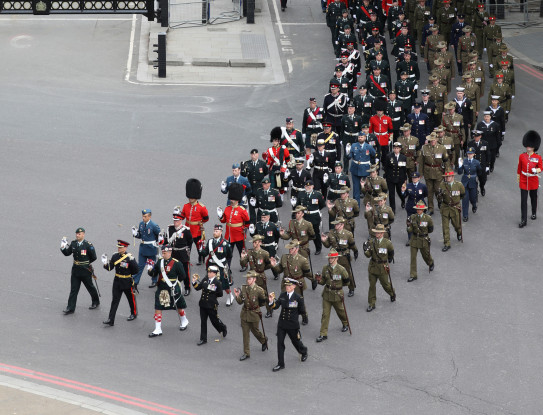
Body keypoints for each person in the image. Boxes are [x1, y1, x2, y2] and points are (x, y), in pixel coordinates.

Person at [147, 244, 189, 337]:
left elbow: (183, 276)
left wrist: (175, 283)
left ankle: (184, 320)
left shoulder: (176, 263)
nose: (163, 254)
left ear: (170, 253)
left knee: (178, 306)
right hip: (162, 288)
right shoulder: (160, 262)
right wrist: (150, 269)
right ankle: (158, 329)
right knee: (158, 307)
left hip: (173, 288)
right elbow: (154, 273)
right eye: (162, 252)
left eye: (164, 252)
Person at [269, 278, 308, 372]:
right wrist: (271, 301)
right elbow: (276, 306)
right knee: (280, 343)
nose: (287, 287)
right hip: (282, 323)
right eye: (286, 285)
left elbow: (302, 311)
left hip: (292, 324)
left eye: (289, 286)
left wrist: (294, 316)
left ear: (294, 286)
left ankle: (303, 351)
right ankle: (280, 364)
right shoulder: (282, 295)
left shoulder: (298, 297)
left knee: (295, 341)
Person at [271, 239, 313, 324]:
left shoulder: (302, 260)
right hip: (286, 283)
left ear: (297, 249)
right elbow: (279, 270)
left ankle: (304, 316)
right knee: (285, 301)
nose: (290, 250)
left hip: (297, 284)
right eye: (289, 249)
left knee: (298, 302)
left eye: (292, 248)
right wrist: (274, 265)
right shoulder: (284, 257)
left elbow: (307, 273)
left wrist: (315, 279)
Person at [60, 227, 100, 314]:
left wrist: (86, 263)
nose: (77, 235)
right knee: (74, 289)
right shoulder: (73, 243)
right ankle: (70, 308)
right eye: (77, 234)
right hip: (75, 270)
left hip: (85, 270)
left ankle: (96, 301)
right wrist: (63, 247)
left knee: (90, 286)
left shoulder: (88, 245)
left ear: (83, 234)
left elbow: (94, 257)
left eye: (79, 234)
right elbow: (67, 253)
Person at [315, 249, 350, 342]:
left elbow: (347, 282)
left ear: (336, 258)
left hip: (337, 294)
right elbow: (323, 282)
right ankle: (323, 334)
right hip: (327, 294)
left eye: (332, 258)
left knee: (340, 311)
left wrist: (338, 287)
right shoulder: (325, 268)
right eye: (329, 258)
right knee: (325, 314)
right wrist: (318, 280)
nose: (330, 259)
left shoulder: (342, 270)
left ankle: (345, 323)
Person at [101, 239, 138, 326]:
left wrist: (129, 274)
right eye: (118, 247)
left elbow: (136, 270)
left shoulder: (130, 258)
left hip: (127, 281)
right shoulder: (115, 256)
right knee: (115, 300)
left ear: (125, 248)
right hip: (117, 281)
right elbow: (110, 268)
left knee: (131, 299)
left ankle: (133, 313)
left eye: (121, 247)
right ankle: (111, 319)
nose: (119, 249)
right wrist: (105, 263)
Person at [234, 271, 268, 361]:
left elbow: (263, 302)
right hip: (245, 314)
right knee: (245, 334)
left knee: (255, 331)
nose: (247, 280)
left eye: (249, 279)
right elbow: (240, 302)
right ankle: (246, 353)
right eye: (247, 279)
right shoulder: (243, 288)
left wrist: (256, 307)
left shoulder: (259, 290)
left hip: (254, 314)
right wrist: (237, 296)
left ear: (254, 279)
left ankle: (264, 340)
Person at [219, 182, 250, 278]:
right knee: (228, 252)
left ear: (237, 200)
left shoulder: (242, 210)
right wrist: (220, 216)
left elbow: (247, 221)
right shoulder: (227, 208)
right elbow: (224, 221)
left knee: (242, 251)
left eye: (233, 199)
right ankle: (227, 267)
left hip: (239, 234)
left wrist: (244, 229)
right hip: (229, 235)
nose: (231, 200)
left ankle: (244, 264)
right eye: (231, 198)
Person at [321, 217, 358, 297]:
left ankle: (351, 288)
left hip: (344, 256)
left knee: (347, 273)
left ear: (342, 225)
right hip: (334, 256)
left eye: (337, 224)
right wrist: (324, 240)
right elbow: (328, 245)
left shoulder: (348, 234)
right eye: (335, 224)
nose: (335, 226)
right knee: (332, 272)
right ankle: (334, 287)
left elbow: (352, 245)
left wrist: (355, 251)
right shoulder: (331, 233)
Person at [362, 224, 395, 312]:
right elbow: (368, 255)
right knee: (372, 286)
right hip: (373, 266)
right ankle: (371, 303)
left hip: (382, 267)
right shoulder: (371, 242)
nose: (377, 234)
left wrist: (389, 260)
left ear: (382, 233)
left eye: (379, 232)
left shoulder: (387, 243)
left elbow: (391, 252)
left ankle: (392, 293)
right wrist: (365, 250)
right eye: (376, 232)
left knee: (385, 284)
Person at [199, 224, 234, 305]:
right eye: (214, 231)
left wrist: (227, 266)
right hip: (211, 265)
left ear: (221, 232)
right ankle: (213, 297)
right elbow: (205, 253)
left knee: (224, 283)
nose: (214, 232)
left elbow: (229, 256)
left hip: (221, 265)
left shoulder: (225, 243)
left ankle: (230, 296)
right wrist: (201, 249)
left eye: (216, 231)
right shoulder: (210, 241)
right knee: (211, 282)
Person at [192, 265, 227, 345]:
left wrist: (210, 290)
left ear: (214, 273)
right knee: (203, 322)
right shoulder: (205, 279)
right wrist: (194, 282)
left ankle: (222, 328)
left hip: (211, 305)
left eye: (210, 272)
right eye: (208, 272)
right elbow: (198, 288)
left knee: (214, 321)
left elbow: (220, 294)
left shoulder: (217, 282)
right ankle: (203, 339)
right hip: (203, 304)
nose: (208, 273)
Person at [240, 235, 273, 318]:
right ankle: (249, 313)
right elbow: (243, 264)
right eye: (253, 242)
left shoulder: (265, 253)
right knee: (248, 295)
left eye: (255, 242)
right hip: (251, 276)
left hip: (260, 277)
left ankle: (269, 309)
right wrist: (242, 258)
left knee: (264, 294)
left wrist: (262, 270)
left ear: (260, 243)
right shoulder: (250, 252)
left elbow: (269, 265)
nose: (254, 244)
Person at [179, 178, 209, 266]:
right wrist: (177, 214)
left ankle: (201, 258)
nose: (190, 198)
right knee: (187, 246)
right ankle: (186, 259)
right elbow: (182, 216)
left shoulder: (201, 207)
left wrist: (200, 223)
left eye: (192, 197)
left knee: (199, 245)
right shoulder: (186, 206)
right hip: (188, 228)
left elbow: (206, 218)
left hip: (197, 230)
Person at [418, 132, 449, 215]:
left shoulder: (442, 148)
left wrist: (447, 173)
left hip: (438, 171)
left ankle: (440, 201)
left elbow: (446, 161)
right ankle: (430, 208)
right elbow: (421, 161)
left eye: (434, 140)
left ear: (437, 139)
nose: (432, 141)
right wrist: (420, 173)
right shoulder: (424, 148)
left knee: (437, 190)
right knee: (429, 191)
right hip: (428, 171)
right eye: (431, 140)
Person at [517, 131, 542, 228]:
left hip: (533, 180)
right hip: (523, 180)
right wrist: (519, 178)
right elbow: (519, 168)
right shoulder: (522, 156)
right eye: (527, 145)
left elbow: (541, 168)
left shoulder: (538, 157)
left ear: (534, 146)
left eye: (530, 146)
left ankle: (534, 212)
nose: (528, 147)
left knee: (533, 197)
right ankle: (523, 220)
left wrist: (535, 170)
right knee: (523, 200)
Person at [165, 212, 193, 296]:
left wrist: (188, 252)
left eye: (177, 221)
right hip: (173, 252)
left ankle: (187, 287)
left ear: (181, 220)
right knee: (173, 270)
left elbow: (190, 242)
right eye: (174, 220)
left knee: (185, 271)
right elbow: (167, 240)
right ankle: (173, 286)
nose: (175, 222)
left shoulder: (186, 230)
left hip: (182, 253)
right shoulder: (170, 228)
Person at [437, 170, 465, 251]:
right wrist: (439, 195)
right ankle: (447, 243)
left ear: (453, 177)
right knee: (445, 227)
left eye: (449, 176)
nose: (447, 178)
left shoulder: (459, 185)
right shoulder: (442, 185)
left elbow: (462, 195)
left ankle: (458, 232)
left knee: (456, 225)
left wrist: (457, 203)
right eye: (446, 177)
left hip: (455, 208)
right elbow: (439, 199)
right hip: (445, 207)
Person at [131, 209, 160, 288]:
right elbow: (141, 235)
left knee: (152, 266)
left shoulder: (154, 226)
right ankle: (135, 282)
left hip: (151, 249)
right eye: (143, 216)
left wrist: (156, 242)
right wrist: (135, 234)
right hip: (143, 248)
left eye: (145, 216)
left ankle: (154, 281)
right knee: (140, 266)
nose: (143, 218)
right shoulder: (141, 224)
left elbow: (159, 235)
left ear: (149, 217)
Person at [406, 201, 434, 282]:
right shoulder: (412, 217)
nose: (418, 211)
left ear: (423, 210)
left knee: (425, 254)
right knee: (413, 257)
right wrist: (408, 226)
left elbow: (431, 229)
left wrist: (425, 234)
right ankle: (413, 274)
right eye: (417, 209)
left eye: (420, 209)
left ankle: (430, 262)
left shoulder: (428, 218)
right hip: (414, 239)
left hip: (423, 239)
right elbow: (410, 230)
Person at [346, 132, 376, 205]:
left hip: (365, 169)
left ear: (365, 138)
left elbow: (374, 154)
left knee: (366, 187)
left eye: (362, 137)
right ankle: (356, 205)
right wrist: (347, 153)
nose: (360, 138)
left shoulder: (369, 146)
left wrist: (371, 164)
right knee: (356, 188)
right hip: (355, 169)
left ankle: (368, 203)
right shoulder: (353, 145)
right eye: (359, 137)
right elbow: (350, 156)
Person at [242, 149, 269, 225]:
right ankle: (253, 222)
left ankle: (260, 221)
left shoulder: (262, 164)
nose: (254, 156)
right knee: (251, 206)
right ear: (251, 155)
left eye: (255, 154)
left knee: (260, 204)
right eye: (252, 154)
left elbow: (266, 172)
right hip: (250, 186)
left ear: (257, 155)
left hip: (259, 186)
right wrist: (243, 170)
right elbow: (244, 175)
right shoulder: (247, 163)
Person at [298, 181, 326, 254]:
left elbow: (322, 204)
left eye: (309, 186)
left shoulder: (317, 194)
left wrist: (315, 210)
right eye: (306, 186)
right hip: (304, 216)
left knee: (315, 233)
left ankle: (318, 248)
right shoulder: (301, 194)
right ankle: (303, 248)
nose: (308, 187)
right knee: (303, 233)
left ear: (313, 186)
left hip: (314, 216)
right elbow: (298, 205)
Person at [401, 172, 428, 245]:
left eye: (416, 178)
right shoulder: (408, 186)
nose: (414, 179)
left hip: (420, 207)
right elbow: (404, 196)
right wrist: (403, 191)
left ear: (419, 178)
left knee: (421, 223)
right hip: (411, 206)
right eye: (413, 178)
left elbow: (425, 194)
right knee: (410, 223)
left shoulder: (423, 186)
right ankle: (410, 238)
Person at [263, 127, 291, 191]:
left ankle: (281, 198)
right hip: (273, 168)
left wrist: (284, 167)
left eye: (276, 140)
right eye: (273, 140)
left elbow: (287, 159)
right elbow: (269, 162)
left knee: (280, 186)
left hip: (281, 168)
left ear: (279, 141)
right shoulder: (269, 150)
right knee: (272, 186)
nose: (274, 142)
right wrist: (266, 160)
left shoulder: (284, 148)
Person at [458, 148, 482, 222]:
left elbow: (480, 172)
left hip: (473, 182)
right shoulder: (463, 161)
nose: (469, 155)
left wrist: (476, 177)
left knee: (473, 198)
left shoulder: (477, 162)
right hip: (465, 182)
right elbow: (459, 172)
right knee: (465, 199)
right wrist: (459, 165)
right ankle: (465, 215)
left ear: (474, 154)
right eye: (468, 153)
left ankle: (474, 205)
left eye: (471, 153)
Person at [384, 142, 407, 213]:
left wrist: (405, 179)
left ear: (400, 149)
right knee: (391, 194)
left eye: (397, 148)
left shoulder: (403, 157)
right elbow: (386, 167)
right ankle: (392, 209)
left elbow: (404, 169)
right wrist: (386, 177)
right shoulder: (389, 156)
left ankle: (403, 200)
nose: (396, 150)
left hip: (400, 177)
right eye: (394, 148)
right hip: (391, 177)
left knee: (400, 191)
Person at [467, 130, 490, 196]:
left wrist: (487, 165)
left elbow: (488, 154)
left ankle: (482, 187)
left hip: (482, 164)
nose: (476, 138)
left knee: (483, 179)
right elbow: (468, 154)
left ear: (480, 136)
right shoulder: (470, 143)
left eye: (477, 137)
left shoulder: (485, 143)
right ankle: (475, 189)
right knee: (473, 179)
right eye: (475, 137)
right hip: (473, 164)